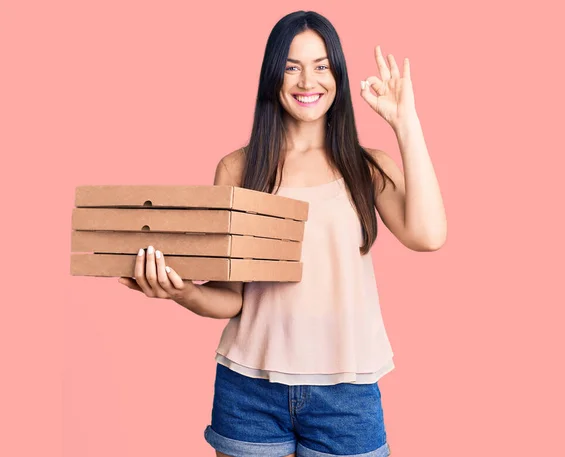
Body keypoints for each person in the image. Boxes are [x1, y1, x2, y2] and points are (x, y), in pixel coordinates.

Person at [119, 10, 446, 457]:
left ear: (338, 75)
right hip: (250, 392)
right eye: (291, 67)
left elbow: (428, 235)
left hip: (345, 396)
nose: (306, 81)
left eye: (320, 66)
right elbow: (231, 297)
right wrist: (180, 292)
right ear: (273, 74)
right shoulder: (238, 168)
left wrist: (405, 123)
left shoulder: (367, 167)